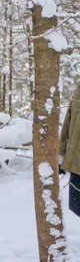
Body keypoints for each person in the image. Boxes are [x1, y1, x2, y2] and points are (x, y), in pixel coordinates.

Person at [59, 80, 80, 218]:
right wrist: (60, 155)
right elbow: (68, 123)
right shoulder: (79, 91)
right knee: (75, 206)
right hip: (76, 162)